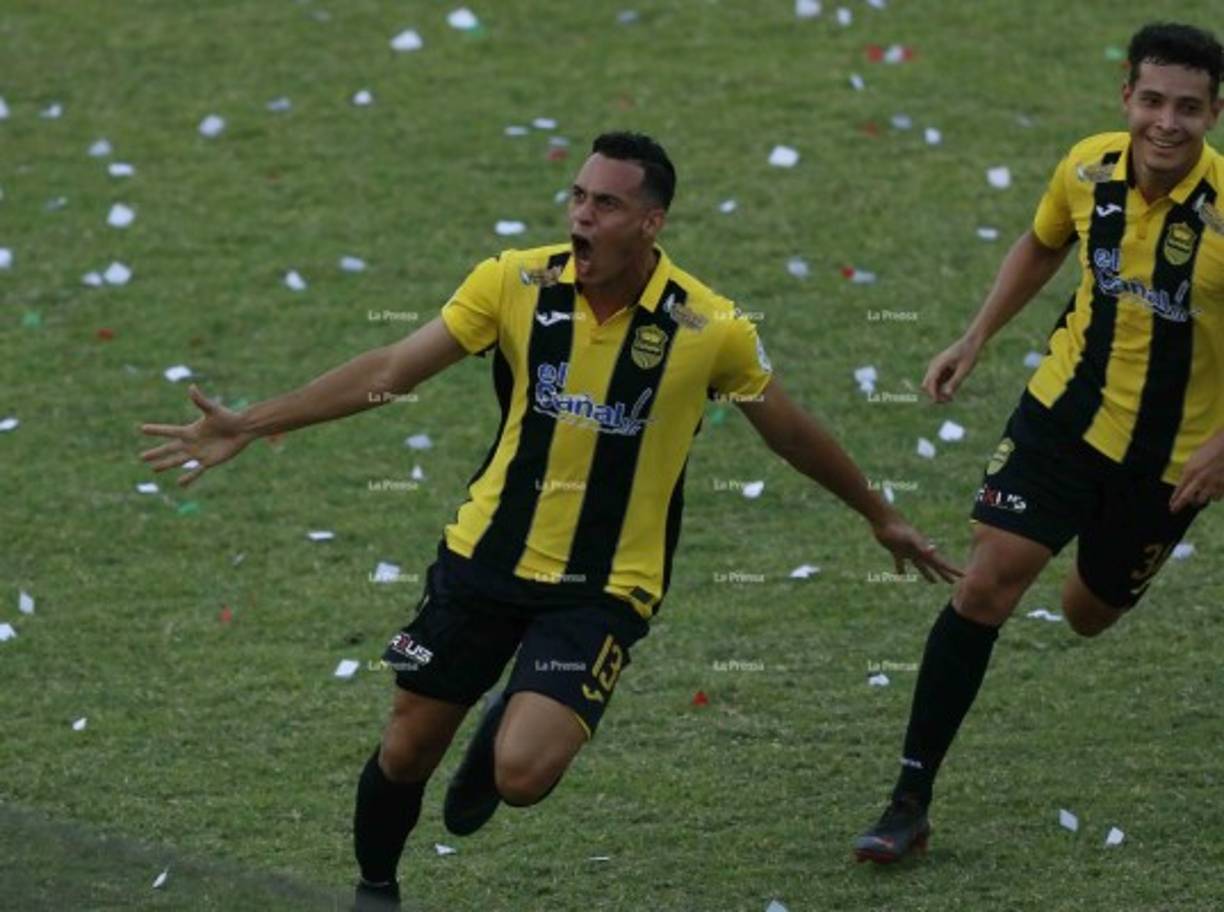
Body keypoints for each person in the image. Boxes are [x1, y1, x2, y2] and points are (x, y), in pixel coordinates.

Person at [140, 131, 959, 908]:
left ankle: (507, 721)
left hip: (604, 586)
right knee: (405, 749)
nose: (580, 217)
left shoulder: (708, 329)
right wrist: (251, 422)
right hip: (485, 556)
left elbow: (788, 431)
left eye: (604, 205)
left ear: (650, 222)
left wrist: (877, 515)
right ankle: (376, 891)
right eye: (577, 197)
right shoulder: (513, 283)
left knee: (522, 775)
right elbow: (391, 370)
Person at [853, 22, 1224, 864]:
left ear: (1215, 114)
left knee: (1087, 614)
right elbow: (1043, 240)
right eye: (1153, 101)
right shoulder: (1088, 166)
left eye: (1189, 109)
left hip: (1168, 464)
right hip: (1061, 417)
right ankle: (908, 799)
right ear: (1126, 95)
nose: (1167, 123)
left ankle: (1089, 565)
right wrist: (975, 336)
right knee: (986, 586)